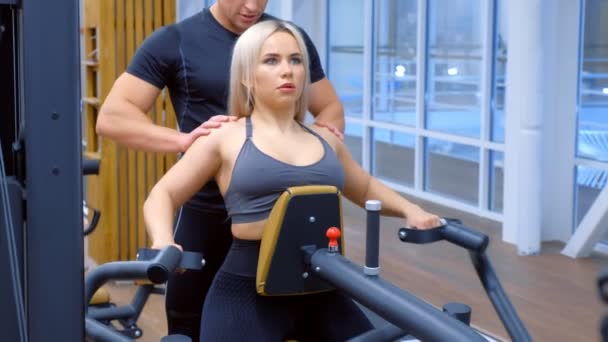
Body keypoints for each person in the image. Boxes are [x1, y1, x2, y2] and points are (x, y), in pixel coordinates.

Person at [144, 20, 442, 341]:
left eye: (295, 60)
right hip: (246, 292)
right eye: (271, 60)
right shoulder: (224, 136)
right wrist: (162, 240)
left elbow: (366, 188)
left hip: (323, 287)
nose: (287, 70)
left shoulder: (326, 139)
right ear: (246, 75)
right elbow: (164, 193)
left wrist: (412, 210)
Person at [95, 0, 344, 338]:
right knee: (190, 324)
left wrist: (307, 152)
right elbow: (112, 117)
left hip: (276, 216)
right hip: (206, 212)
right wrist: (185, 142)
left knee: (297, 320)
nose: (252, 5)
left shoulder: (284, 40)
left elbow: (328, 107)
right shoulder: (175, 40)